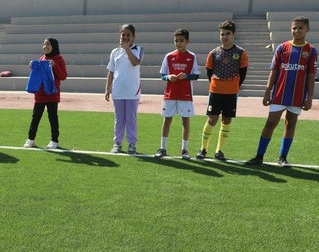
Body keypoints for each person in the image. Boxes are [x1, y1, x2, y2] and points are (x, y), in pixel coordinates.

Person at [245, 16, 317, 167]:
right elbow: (274, 71)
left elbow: (311, 76)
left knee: (290, 125)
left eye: (300, 28)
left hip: (297, 95)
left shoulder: (311, 51)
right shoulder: (282, 47)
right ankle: (259, 156)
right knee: (270, 123)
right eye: (294, 28)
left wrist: (310, 97)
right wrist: (267, 91)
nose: (296, 31)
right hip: (279, 93)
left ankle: (283, 158)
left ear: (307, 29)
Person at [196, 20, 248, 161]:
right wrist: (217, 84)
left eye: (228, 34)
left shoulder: (241, 53)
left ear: (233, 35)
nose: (225, 36)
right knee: (212, 119)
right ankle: (203, 149)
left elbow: (243, 73)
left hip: (231, 93)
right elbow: (209, 72)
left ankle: (219, 151)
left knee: (226, 121)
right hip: (216, 91)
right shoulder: (213, 53)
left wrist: (233, 85)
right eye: (222, 34)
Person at [154, 28, 200, 160]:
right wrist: (169, 77)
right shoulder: (169, 56)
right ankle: (162, 148)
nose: (178, 43)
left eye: (181, 41)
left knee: (185, 121)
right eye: (176, 41)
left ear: (187, 42)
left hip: (185, 95)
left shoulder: (192, 56)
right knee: (167, 119)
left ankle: (184, 150)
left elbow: (196, 76)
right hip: (170, 94)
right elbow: (163, 75)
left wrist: (187, 76)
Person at [104, 24, 143, 155]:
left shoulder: (138, 49)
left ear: (133, 37)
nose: (125, 37)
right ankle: (117, 143)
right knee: (119, 118)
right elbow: (111, 71)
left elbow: (135, 62)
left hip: (132, 92)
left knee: (131, 118)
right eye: (123, 34)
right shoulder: (115, 52)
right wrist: (107, 89)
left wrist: (127, 49)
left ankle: (132, 144)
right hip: (118, 91)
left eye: (128, 35)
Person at [23, 38, 68, 149]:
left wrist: (55, 66)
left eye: (48, 44)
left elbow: (63, 76)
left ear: (54, 46)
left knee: (52, 118)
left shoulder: (59, 59)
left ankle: (54, 141)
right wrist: (32, 67)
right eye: (44, 44)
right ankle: (31, 139)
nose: (45, 47)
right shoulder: (41, 59)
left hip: (52, 94)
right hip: (40, 94)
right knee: (35, 117)